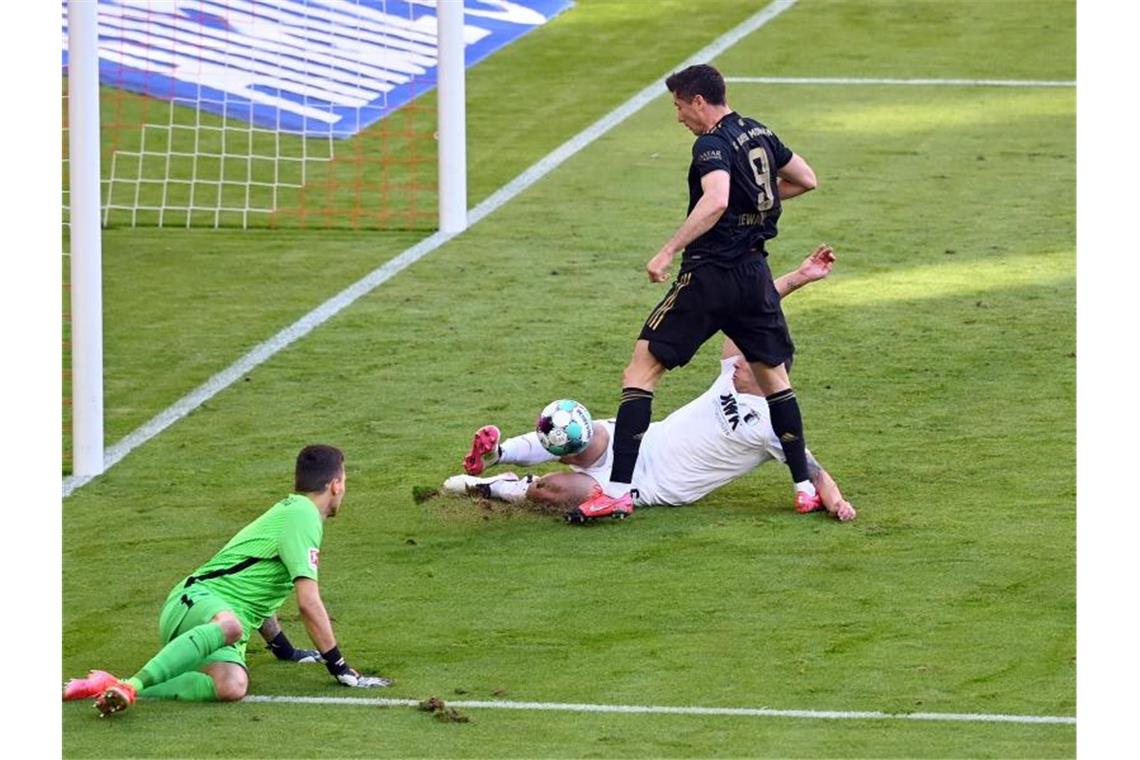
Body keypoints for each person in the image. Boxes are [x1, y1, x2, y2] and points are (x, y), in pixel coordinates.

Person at [447, 247, 856, 523]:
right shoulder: (732, 377)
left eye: (746, 358)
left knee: (553, 491)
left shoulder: (775, 425)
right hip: (637, 444)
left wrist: (838, 505)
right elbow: (754, 307)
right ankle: (498, 454)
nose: (735, 359)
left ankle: (499, 489)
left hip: (646, 487)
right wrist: (801, 277)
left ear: (771, 370)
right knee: (576, 429)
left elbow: (816, 473)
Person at [577, 63, 822, 522]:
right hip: (754, 275)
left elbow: (717, 199)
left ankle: (616, 490)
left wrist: (667, 250)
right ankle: (805, 488)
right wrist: (758, 200)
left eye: (678, 106)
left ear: (698, 101)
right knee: (775, 382)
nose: (678, 118)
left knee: (641, 369)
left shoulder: (710, 144)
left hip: (710, 276)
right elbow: (806, 179)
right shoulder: (760, 132)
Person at [63, 445, 389, 718]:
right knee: (232, 625)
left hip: (209, 624)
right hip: (197, 601)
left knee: (233, 685)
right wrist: (339, 666)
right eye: (345, 480)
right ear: (335, 484)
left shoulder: (294, 513)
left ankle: (110, 684)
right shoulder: (302, 516)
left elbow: (255, 592)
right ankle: (131, 686)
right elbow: (308, 602)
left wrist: (285, 650)